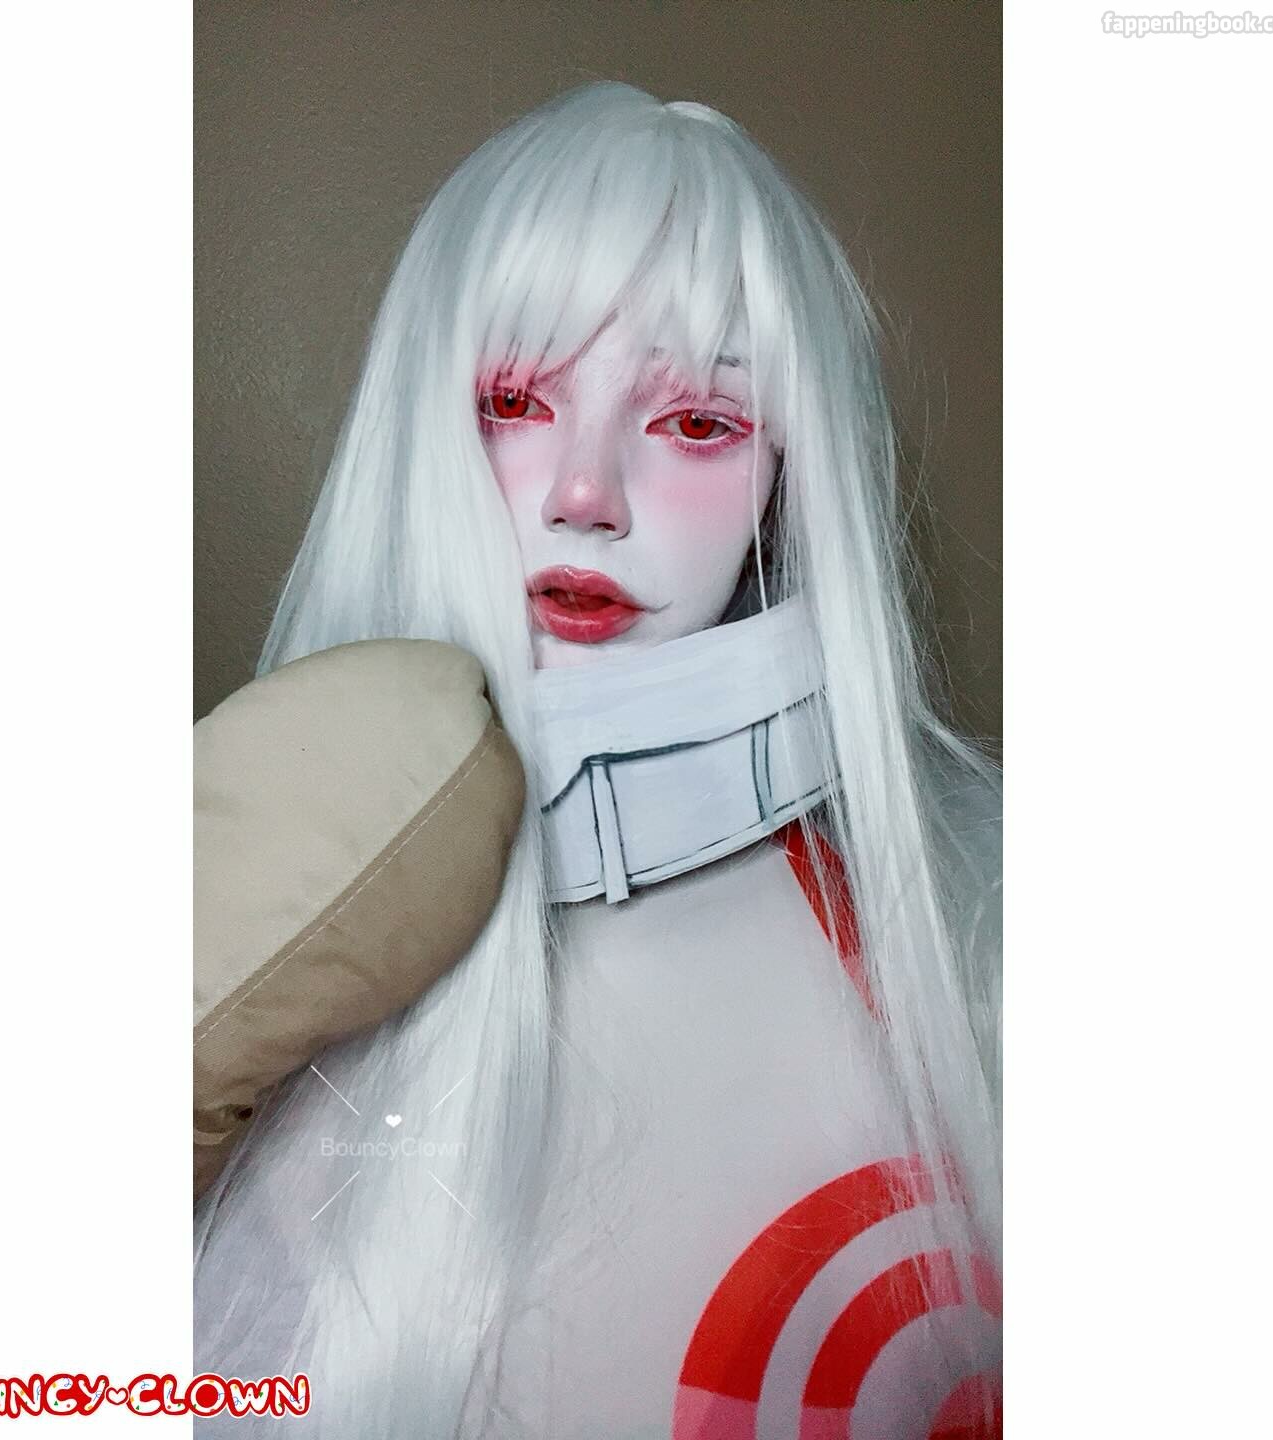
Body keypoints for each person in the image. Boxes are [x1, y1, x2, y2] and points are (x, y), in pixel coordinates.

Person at [194, 81, 1002, 1440]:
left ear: (790, 476)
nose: (584, 495)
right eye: (515, 400)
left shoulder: (986, 932)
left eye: (697, 423)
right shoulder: (257, 892)